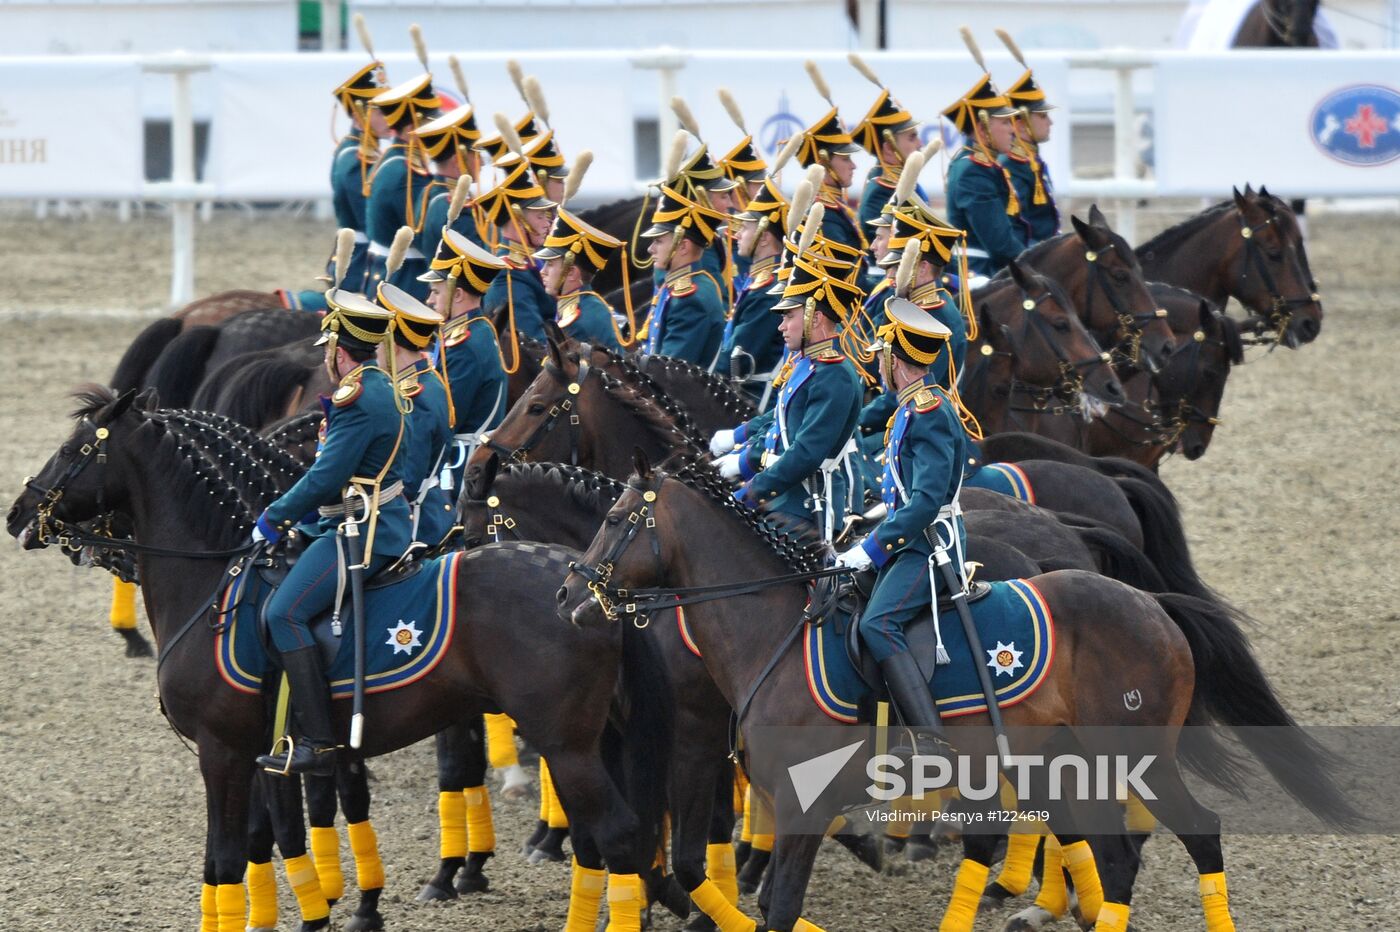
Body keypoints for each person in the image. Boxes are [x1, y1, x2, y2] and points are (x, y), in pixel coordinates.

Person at [253, 294, 411, 776]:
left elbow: (325, 476)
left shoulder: (357, 399)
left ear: (339, 352)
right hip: (360, 518)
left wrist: (276, 516)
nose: (326, 356)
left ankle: (318, 742)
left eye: (328, 348)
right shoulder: (381, 385)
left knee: (285, 613)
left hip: (363, 531)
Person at [834, 298, 973, 754]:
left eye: (881, 352)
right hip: (909, 538)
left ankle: (931, 738)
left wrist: (873, 548)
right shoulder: (910, 408)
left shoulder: (929, 412)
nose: (876, 359)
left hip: (930, 546)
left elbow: (927, 503)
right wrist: (868, 521)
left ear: (898, 358)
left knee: (878, 623)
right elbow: (903, 494)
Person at [712, 255, 865, 541]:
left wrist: (750, 493)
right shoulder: (807, 364)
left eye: (788, 316)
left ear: (815, 317)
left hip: (809, 505)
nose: (781, 326)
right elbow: (780, 423)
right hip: (784, 496)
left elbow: (805, 453)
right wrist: (740, 455)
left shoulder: (834, 374)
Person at [420, 228, 511, 493]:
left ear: (458, 294)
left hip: (460, 470)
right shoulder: (474, 330)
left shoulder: (466, 345)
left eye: (436, 292)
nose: (430, 300)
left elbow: (445, 421)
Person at [377, 282, 456, 549]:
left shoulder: (414, 397)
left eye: (377, 343)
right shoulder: (426, 379)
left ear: (392, 346)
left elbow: (407, 481)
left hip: (414, 523)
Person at [943, 72, 1030, 279]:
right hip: (982, 272)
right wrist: (1033, 267)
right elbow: (999, 242)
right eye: (1005, 123)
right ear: (983, 129)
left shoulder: (984, 166)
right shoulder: (973, 171)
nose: (1012, 130)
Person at [366, 74, 443, 292]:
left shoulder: (392, 159)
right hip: (407, 279)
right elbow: (424, 237)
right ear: (412, 128)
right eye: (430, 124)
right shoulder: (406, 173)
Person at [639, 186, 728, 366]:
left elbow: (669, 372)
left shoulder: (691, 299)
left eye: (658, 241)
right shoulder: (678, 286)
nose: (651, 249)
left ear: (683, 247)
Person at [479, 159, 559, 350]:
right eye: (540, 216)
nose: (547, 223)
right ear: (518, 220)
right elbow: (534, 344)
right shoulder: (507, 276)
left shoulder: (530, 263)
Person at [718, 177, 789, 384]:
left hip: (755, 395)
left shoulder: (767, 291)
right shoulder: (761, 282)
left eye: (744, 228)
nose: (737, 235)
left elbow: (735, 362)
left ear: (765, 237)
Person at [413, 103, 487, 289]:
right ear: (458, 160)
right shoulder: (455, 206)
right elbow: (478, 263)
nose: (482, 161)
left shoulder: (429, 192)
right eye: (476, 154)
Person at [536, 209, 627, 352]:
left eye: (551, 264)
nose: (543, 271)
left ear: (571, 273)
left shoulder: (581, 321)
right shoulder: (581, 305)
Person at [793, 108, 867, 254]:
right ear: (823, 163)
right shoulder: (823, 214)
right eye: (846, 159)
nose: (853, 166)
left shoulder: (834, 208)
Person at [852, 85, 923, 234]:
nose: (920, 144)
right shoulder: (881, 192)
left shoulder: (901, 183)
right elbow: (884, 250)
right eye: (912, 138)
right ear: (890, 148)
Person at [1000, 66, 1059, 245]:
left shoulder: (1032, 162)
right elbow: (1017, 224)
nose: (1050, 122)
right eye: (1042, 116)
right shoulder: (1011, 165)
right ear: (1021, 125)